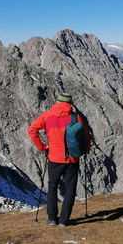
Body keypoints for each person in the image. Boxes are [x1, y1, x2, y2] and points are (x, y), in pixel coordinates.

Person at [28, 93, 91, 226]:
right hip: (72, 159)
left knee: (52, 186)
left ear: (57, 102)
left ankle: (52, 218)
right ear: (70, 103)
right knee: (70, 189)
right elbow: (85, 136)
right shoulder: (75, 117)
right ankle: (64, 220)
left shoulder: (47, 115)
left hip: (54, 158)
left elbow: (32, 130)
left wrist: (43, 147)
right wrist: (85, 150)